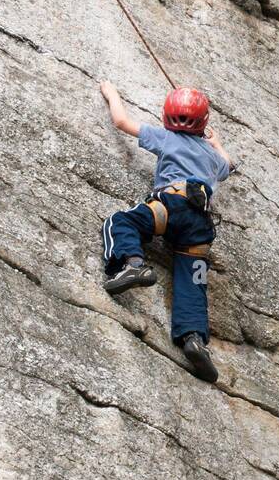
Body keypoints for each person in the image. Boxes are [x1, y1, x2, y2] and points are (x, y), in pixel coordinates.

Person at [98, 81, 233, 383]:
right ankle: (194, 339)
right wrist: (216, 142)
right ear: (203, 123)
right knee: (193, 279)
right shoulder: (211, 157)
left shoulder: (167, 138)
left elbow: (121, 122)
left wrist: (111, 92)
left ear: (167, 117)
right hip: (200, 228)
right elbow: (228, 165)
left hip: (171, 205)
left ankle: (132, 265)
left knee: (121, 222)